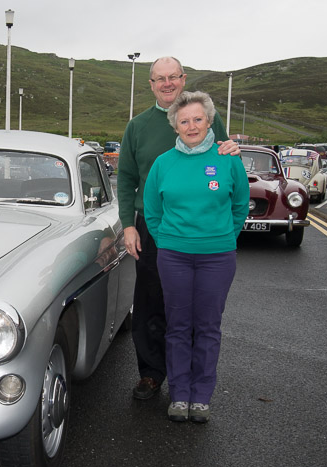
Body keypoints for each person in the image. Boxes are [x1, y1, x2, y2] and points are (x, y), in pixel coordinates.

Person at [117, 57, 240, 401]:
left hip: (200, 233)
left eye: (173, 77)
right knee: (151, 301)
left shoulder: (206, 119)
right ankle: (152, 374)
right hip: (152, 227)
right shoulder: (137, 126)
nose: (167, 83)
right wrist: (130, 225)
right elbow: (126, 181)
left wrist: (232, 148)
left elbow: (227, 164)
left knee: (194, 310)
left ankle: (187, 384)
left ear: (183, 79)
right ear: (152, 84)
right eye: (160, 78)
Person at [143, 91, 249, 423]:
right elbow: (153, 213)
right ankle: (179, 394)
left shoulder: (228, 159)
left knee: (207, 327)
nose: (192, 126)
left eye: (198, 119)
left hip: (217, 258)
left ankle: (201, 396)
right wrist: (171, 241)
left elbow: (240, 206)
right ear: (175, 125)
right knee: (177, 326)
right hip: (173, 257)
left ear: (209, 121)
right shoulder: (163, 163)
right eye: (184, 120)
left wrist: (220, 239)